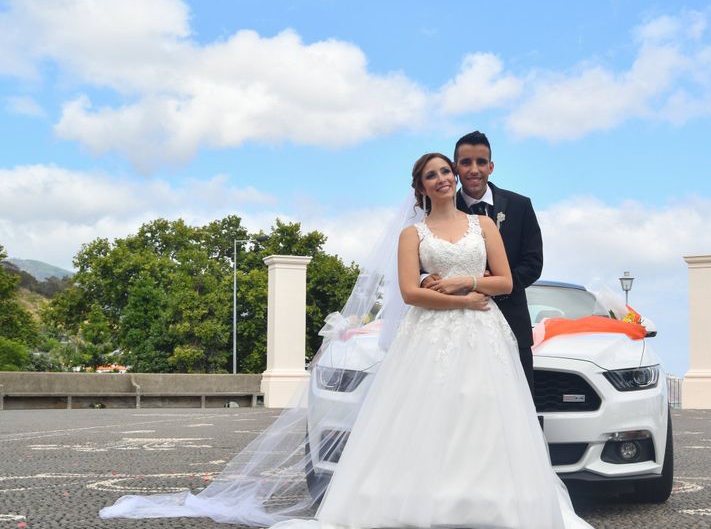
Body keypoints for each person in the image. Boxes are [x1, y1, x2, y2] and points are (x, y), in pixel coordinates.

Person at [99, 153, 590, 528]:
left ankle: (495, 501)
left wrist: (465, 283)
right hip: (433, 331)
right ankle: (417, 501)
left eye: (447, 171)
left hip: (485, 334)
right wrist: (460, 301)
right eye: (432, 174)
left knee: (485, 412)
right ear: (420, 188)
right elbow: (411, 293)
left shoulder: (483, 225)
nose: (443, 178)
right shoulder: (412, 235)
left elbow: (504, 282)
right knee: (426, 413)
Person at [422, 131, 543, 399]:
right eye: (465, 163)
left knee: (515, 406)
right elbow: (422, 252)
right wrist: (423, 279)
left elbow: (533, 263)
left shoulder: (520, 206)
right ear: (455, 169)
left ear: (491, 166)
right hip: (449, 325)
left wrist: (493, 284)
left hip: (511, 322)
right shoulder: (438, 204)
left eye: (481, 162)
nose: (473, 169)